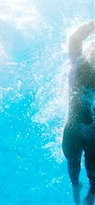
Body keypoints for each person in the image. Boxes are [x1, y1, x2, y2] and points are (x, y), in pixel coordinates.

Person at [62, 20, 95, 205]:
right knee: (73, 164)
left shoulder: (79, 63)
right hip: (74, 128)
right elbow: (75, 38)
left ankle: (90, 194)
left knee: (93, 173)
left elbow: (75, 39)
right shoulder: (79, 63)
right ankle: (76, 189)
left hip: (92, 135)